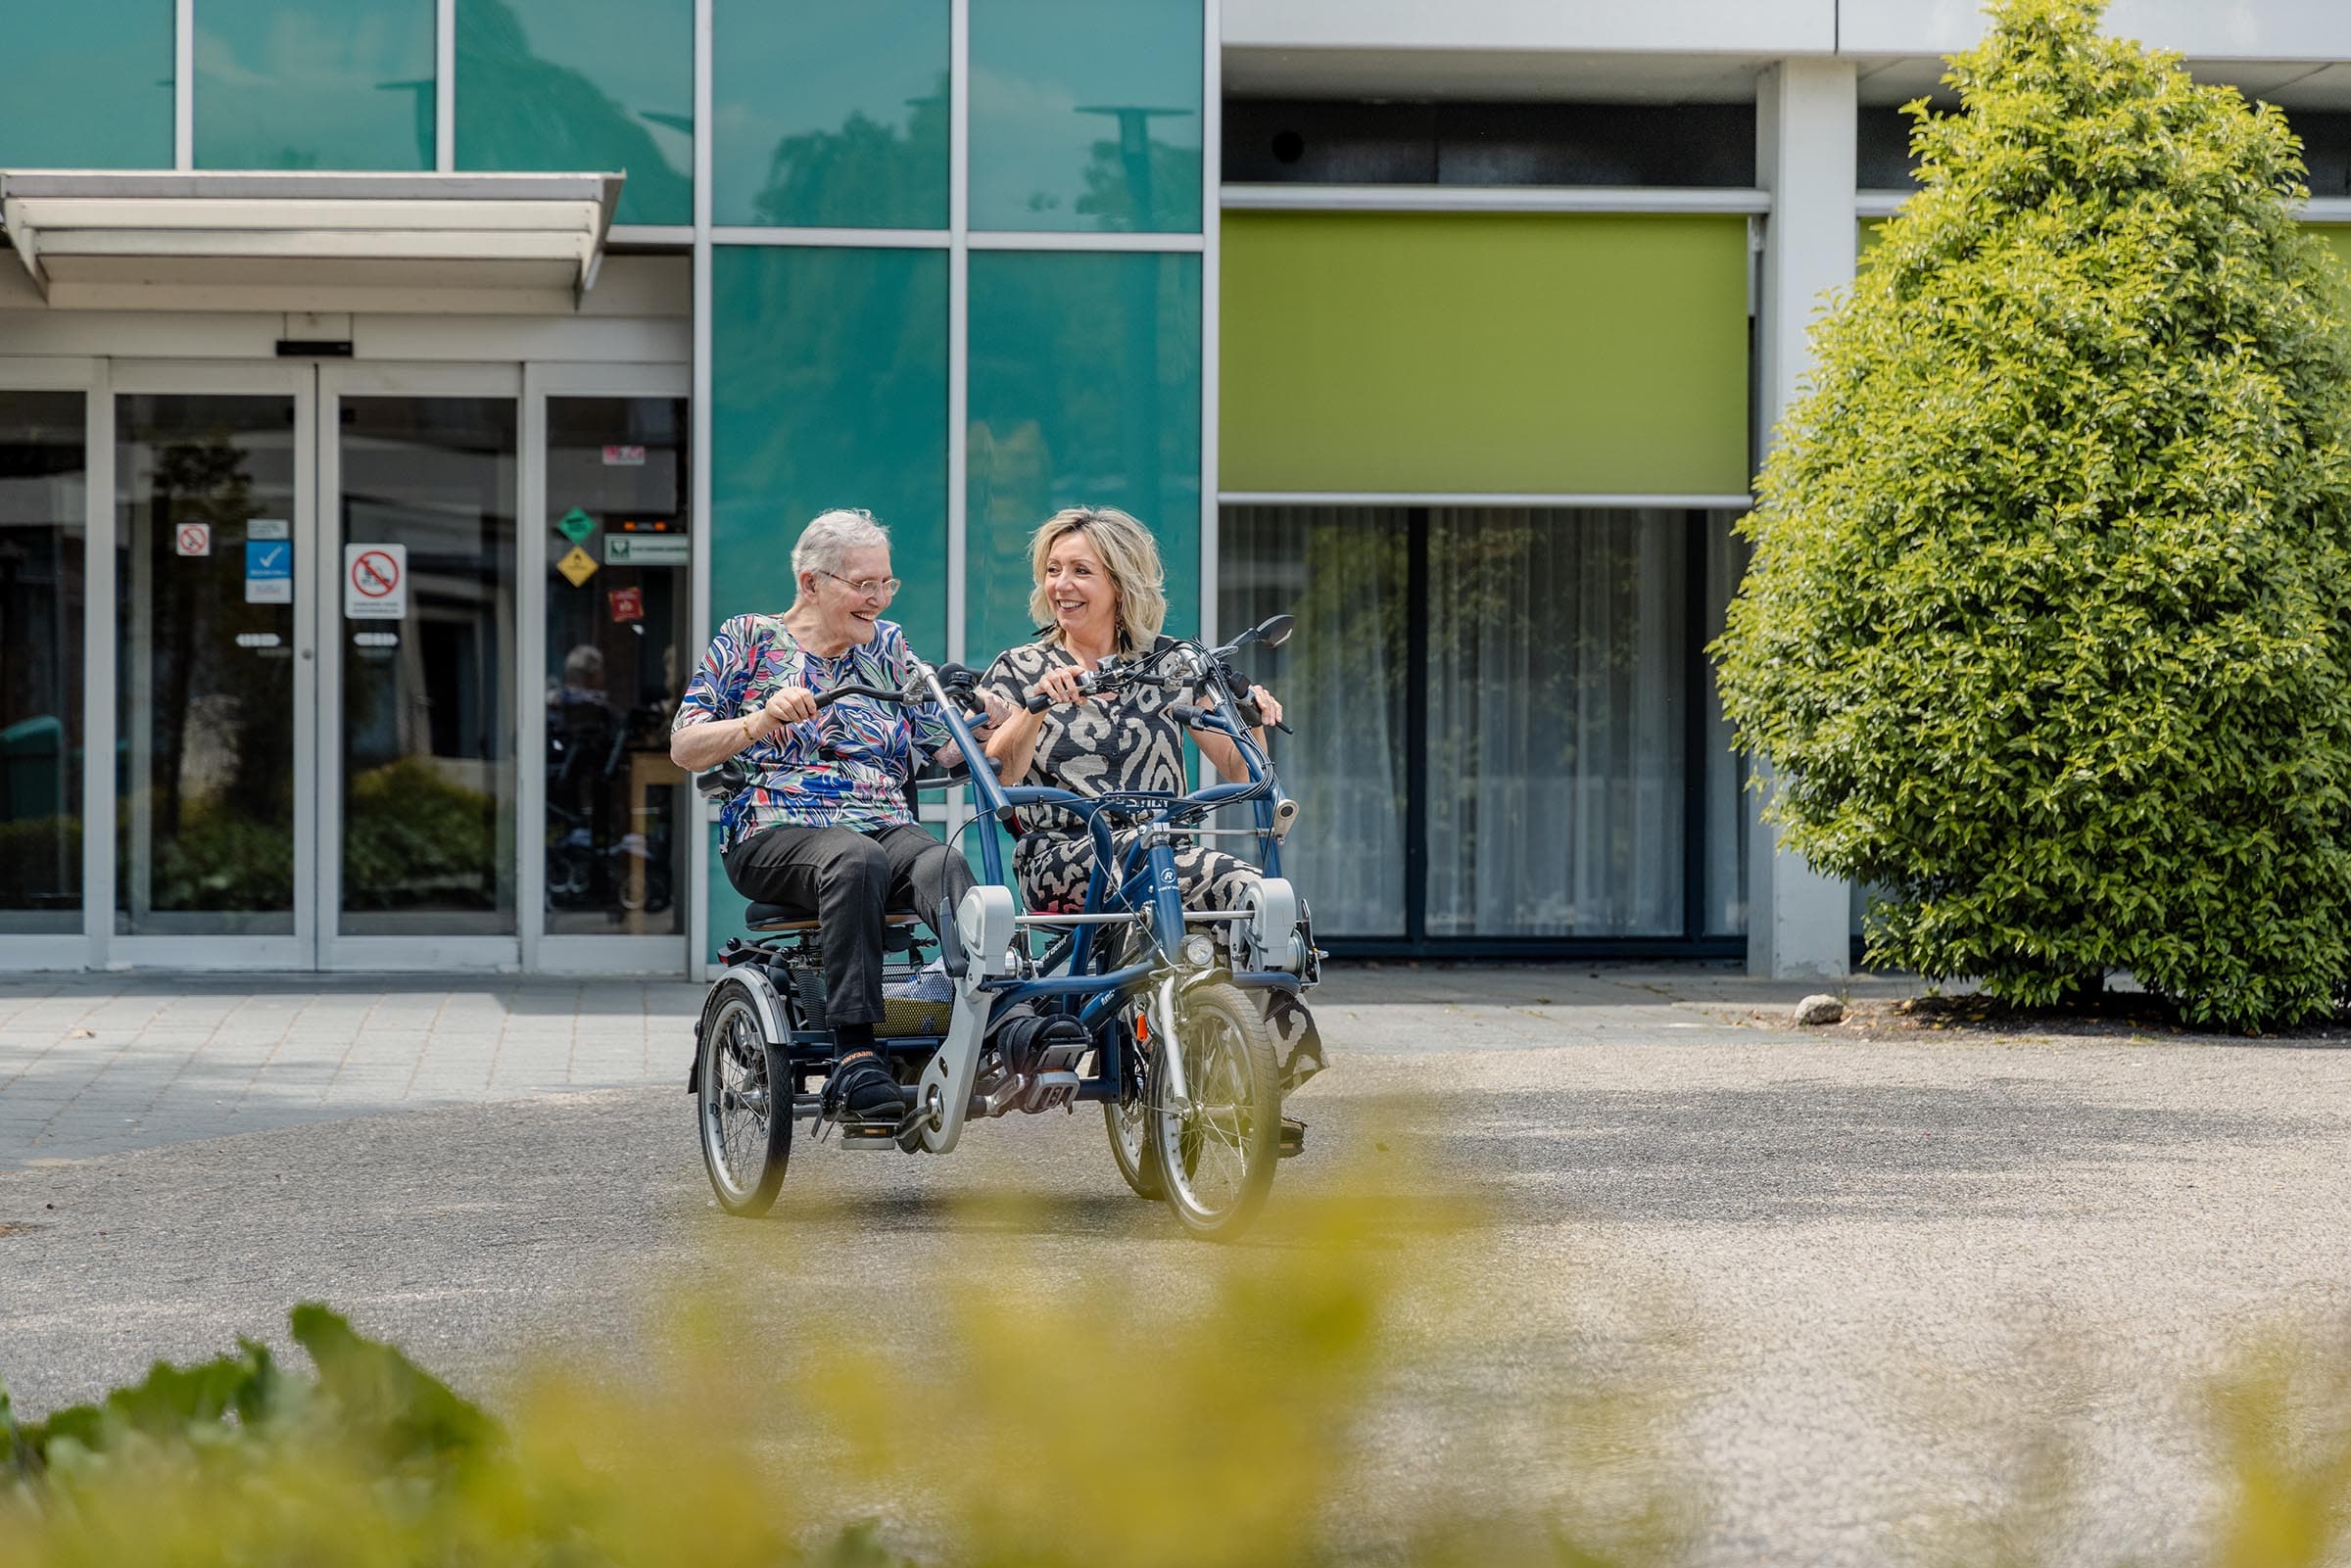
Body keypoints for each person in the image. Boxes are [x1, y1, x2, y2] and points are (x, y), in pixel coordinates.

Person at [977, 505, 1324, 1089]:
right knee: (1187, 862)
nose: (1061, 585)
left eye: (1081, 571)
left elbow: (1242, 766)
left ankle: (1257, 1079)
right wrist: (1036, 706)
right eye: (1053, 569)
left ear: (1120, 582)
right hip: (1065, 857)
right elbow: (1000, 779)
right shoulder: (1022, 666)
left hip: (1168, 857)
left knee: (1257, 895)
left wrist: (1251, 718)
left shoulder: (1173, 663)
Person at [670, 508, 976, 1119]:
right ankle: (855, 1055)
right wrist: (761, 721)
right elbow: (685, 745)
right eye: (865, 585)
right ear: (812, 583)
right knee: (853, 856)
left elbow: (942, 746)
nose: (879, 599)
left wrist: (1012, 714)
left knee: (942, 861)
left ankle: (996, 1011)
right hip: (774, 831)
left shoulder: (889, 648)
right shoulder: (749, 640)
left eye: (886, 584)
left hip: (881, 822)